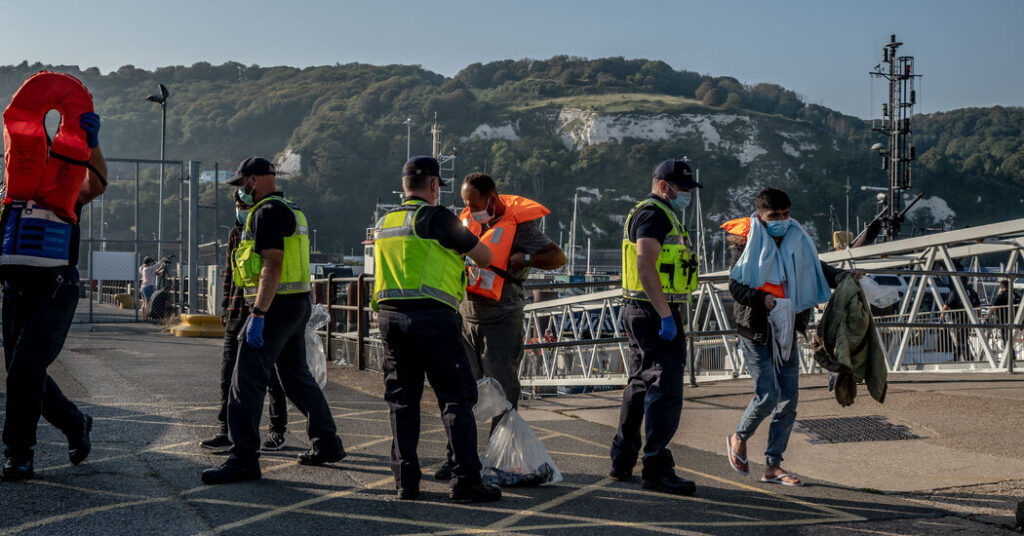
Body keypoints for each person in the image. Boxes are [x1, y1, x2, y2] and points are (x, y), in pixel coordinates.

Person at [201, 157, 344, 484]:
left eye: (242, 184)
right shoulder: (292, 210)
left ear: (254, 180)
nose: (241, 190)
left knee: (245, 381)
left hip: (274, 308)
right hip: (297, 304)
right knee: (296, 379)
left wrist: (258, 314)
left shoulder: (264, 213)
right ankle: (327, 443)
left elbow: (272, 264)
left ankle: (243, 459)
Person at [372, 156, 501, 502]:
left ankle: (405, 481)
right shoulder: (437, 217)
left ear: (404, 185)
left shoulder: (385, 222)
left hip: (390, 318)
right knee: (456, 399)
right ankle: (466, 481)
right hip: (432, 319)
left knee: (402, 401)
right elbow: (484, 256)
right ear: (433, 185)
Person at [431, 173, 566, 481]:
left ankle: (498, 461)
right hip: (466, 318)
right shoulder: (467, 221)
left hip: (502, 319)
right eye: (465, 203)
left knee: (503, 393)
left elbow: (558, 257)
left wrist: (526, 258)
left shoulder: (521, 226)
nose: (469, 208)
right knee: (460, 392)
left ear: (492, 199)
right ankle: (457, 459)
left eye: (474, 203)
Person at [1, 112, 107, 480]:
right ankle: (76, 423)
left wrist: (92, 145)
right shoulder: (8, 190)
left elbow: (95, 186)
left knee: (25, 369)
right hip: (14, 290)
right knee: (22, 371)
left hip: (55, 288)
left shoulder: (64, 184)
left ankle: (19, 453)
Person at [722, 187, 851, 487]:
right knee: (768, 395)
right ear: (760, 216)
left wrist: (844, 277)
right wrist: (762, 299)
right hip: (755, 329)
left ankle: (773, 466)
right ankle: (738, 437)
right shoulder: (745, 242)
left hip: (788, 328)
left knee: (789, 400)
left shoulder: (797, 238)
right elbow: (736, 286)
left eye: (785, 214)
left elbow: (817, 269)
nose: (781, 220)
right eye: (774, 216)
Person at [609, 159, 701, 496]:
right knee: (665, 386)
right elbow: (645, 266)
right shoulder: (654, 215)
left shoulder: (656, 213)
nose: (687, 194)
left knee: (640, 383)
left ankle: (622, 458)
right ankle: (656, 467)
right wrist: (666, 315)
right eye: (683, 188)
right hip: (654, 311)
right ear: (664, 186)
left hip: (639, 309)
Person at [200, 189, 289, 452]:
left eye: (243, 204)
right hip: (237, 310)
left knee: (272, 376)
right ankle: (226, 430)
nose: (239, 209)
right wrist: (225, 307)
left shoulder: (266, 225)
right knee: (228, 375)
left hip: (262, 310)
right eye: (237, 205)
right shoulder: (235, 233)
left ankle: (277, 429)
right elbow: (229, 272)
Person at [939, 272, 982, 361]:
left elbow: (946, 306)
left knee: (961, 340)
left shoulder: (955, 292)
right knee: (961, 339)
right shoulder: (972, 292)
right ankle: (955, 359)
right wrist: (979, 318)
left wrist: (941, 317)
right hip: (969, 320)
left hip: (958, 320)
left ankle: (969, 359)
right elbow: (978, 307)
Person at [985, 280, 1019, 360]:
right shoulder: (1015, 294)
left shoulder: (1002, 295)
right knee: (1010, 339)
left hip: (1004, 320)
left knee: (1006, 338)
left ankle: (1010, 357)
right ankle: (1011, 356)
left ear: (1002, 287)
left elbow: (994, 307)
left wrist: (987, 317)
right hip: (1016, 320)